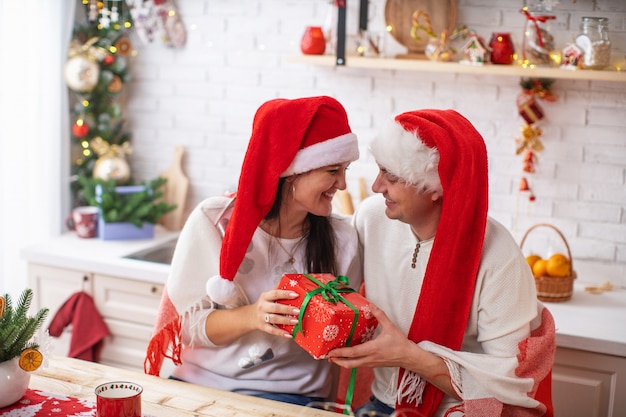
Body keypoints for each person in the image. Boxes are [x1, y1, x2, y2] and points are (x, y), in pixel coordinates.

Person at [327, 109, 556, 416]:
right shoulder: (372, 217)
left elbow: (509, 387)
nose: (377, 186)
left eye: (391, 177)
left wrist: (411, 356)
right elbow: (332, 280)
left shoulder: (498, 257)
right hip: (382, 405)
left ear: (435, 187)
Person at [144, 96, 363, 406]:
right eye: (332, 170)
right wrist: (252, 316)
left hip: (291, 397)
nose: (342, 184)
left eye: (345, 169)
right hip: (199, 387)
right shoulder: (214, 221)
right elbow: (185, 329)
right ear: (291, 171)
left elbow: (336, 345)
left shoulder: (343, 239)